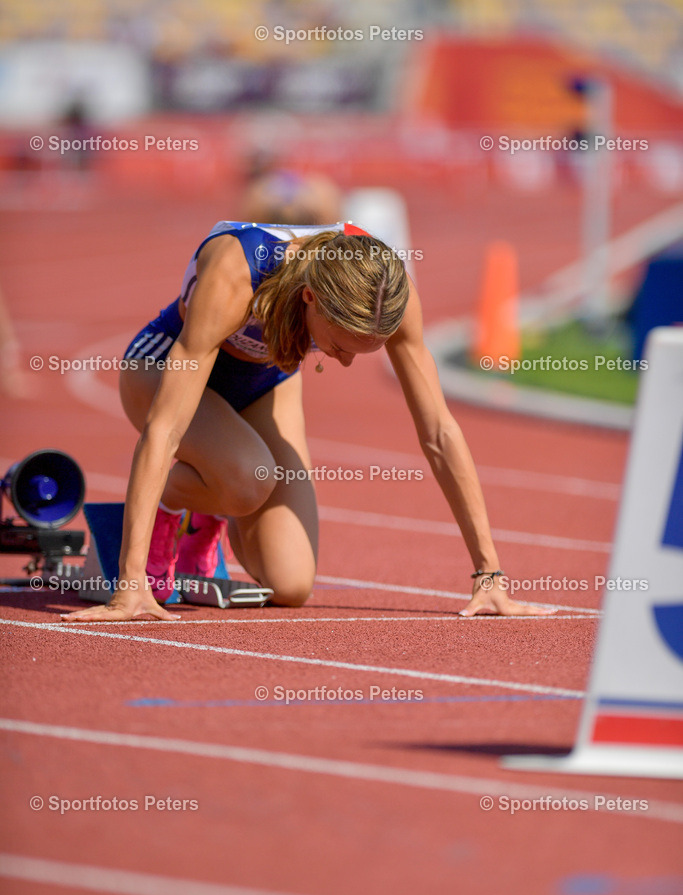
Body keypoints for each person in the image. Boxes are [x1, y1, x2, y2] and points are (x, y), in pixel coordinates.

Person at [62, 220, 552, 622]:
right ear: (311, 297)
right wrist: (128, 588)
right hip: (159, 368)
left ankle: (204, 518)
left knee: (290, 583)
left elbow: (440, 433)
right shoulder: (237, 272)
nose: (342, 363)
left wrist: (490, 575)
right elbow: (165, 429)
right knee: (251, 477)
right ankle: (160, 514)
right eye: (338, 347)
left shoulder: (386, 291)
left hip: (267, 381)